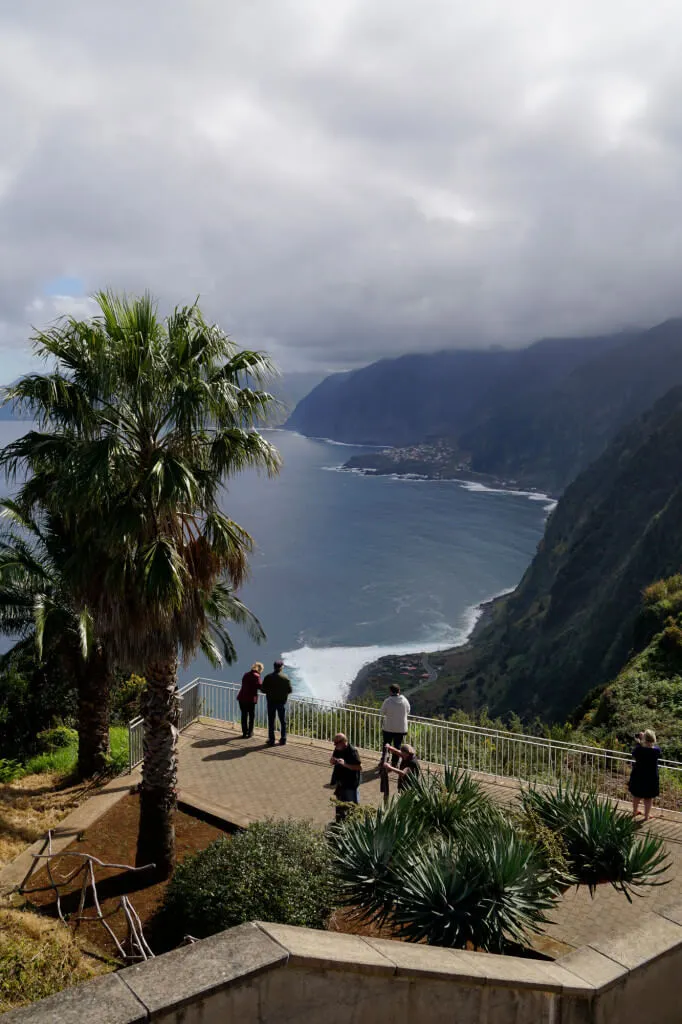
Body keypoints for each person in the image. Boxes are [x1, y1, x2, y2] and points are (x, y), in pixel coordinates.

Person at [628, 728, 661, 821]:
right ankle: (646, 816)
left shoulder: (639, 750)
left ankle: (635, 811)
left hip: (638, 776)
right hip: (651, 777)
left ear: (644, 739)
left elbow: (634, 753)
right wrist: (645, 740)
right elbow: (654, 748)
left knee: (637, 795)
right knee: (648, 798)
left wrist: (639, 742)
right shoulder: (656, 751)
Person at [330, 733, 363, 821]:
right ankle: (339, 822)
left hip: (350, 783)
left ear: (344, 741)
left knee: (352, 806)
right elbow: (333, 759)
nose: (335, 745)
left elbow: (359, 767)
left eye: (336, 743)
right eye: (334, 743)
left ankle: (354, 823)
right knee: (340, 804)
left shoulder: (353, 751)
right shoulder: (338, 749)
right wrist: (332, 761)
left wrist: (345, 764)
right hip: (341, 782)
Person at [261, 659, 292, 746]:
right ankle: (283, 739)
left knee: (271, 721)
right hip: (281, 702)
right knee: (283, 721)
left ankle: (271, 740)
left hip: (271, 702)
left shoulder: (268, 677)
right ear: (281, 667)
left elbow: (263, 689)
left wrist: (269, 692)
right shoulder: (285, 678)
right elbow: (290, 690)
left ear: (274, 667)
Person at [380, 683, 410, 766]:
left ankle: (384, 761)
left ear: (390, 691)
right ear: (399, 691)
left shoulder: (387, 701)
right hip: (401, 728)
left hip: (388, 728)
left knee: (386, 745)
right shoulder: (404, 700)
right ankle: (394, 763)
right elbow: (408, 710)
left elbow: (382, 712)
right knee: (397, 746)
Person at [237, 662, 263, 738]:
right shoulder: (257, 676)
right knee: (251, 716)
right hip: (250, 699)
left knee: (244, 716)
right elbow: (260, 687)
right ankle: (250, 733)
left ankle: (244, 732)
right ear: (260, 669)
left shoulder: (246, 674)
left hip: (242, 698)